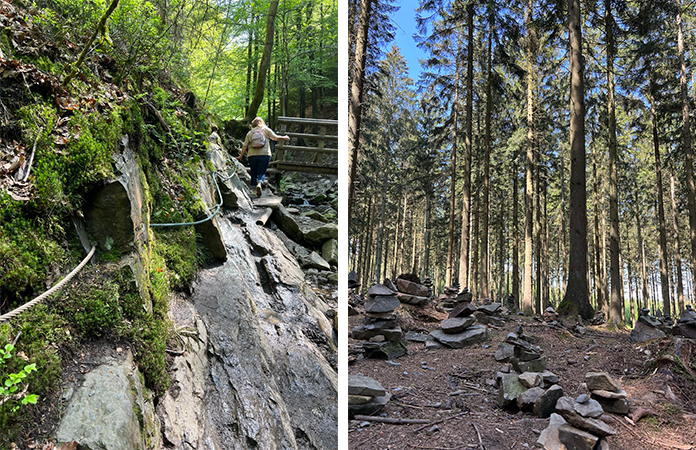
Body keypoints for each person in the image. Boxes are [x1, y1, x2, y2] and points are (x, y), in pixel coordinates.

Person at [237, 117, 290, 197]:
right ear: (261, 122)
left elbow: (244, 146)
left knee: (253, 173)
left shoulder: (250, 133)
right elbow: (275, 137)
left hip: (252, 155)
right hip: (265, 155)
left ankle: (254, 190)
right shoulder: (265, 129)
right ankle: (259, 183)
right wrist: (284, 137)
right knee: (262, 172)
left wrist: (240, 156)